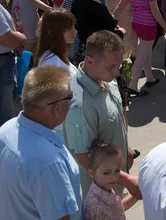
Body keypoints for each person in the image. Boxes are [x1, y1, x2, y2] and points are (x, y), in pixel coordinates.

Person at [63, 31, 139, 200]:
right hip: (97, 194)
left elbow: (112, 121)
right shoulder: (80, 104)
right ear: (89, 61)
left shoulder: (107, 79)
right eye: (111, 66)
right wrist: (127, 181)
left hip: (112, 183)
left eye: (118, 65)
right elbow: (85, 158)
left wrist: (125, 148)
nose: (117, 73)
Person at [0, 67, 83, 219]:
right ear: (56, 108)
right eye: (70, 96)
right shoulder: (49, 164)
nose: (73, 101)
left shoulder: (5, 130)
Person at [114, 0, 166, 96]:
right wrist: (165, 27)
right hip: (148, 26)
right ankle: (133, 86)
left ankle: (150, 78)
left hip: (136, 24)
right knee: (141, 56)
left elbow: (121, 5)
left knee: (146, 52)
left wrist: (112, 17)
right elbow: (155, 12)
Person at [70, 0, 123, 64]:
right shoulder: (98, 8)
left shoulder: (77, 1)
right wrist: (121, 32)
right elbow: (109, 40)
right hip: (100, 58)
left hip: (84, 54)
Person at [83, 139, 137, 219]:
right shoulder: (94, 207)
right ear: (91, 173)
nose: (113, 177)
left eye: (117, 170)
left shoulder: (107, 187)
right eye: (106, 173)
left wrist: (136, 196)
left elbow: (117, 209)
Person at [0, 0, 25, 126]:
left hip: (5, 58)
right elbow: (6, 38)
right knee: (5, 111)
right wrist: (21, 38)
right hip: (2, 61)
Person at [34, 8, 78, 79]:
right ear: (51, 32)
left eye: (74, 26)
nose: (75, 31)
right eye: (69, 28)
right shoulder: (51, 63)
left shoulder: (58, 54)